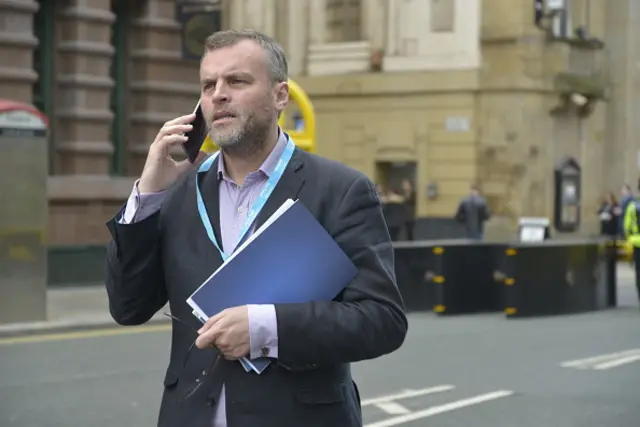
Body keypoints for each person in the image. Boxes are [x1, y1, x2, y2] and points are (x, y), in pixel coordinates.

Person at [104, 29, 408, 427]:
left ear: (280, 96)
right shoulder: (176, 192)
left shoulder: (341, 191)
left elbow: (382, 319)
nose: (218, 95)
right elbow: (128, 307)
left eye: (237, 81)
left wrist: (267, 328)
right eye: (208, 85)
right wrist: (147, 195)